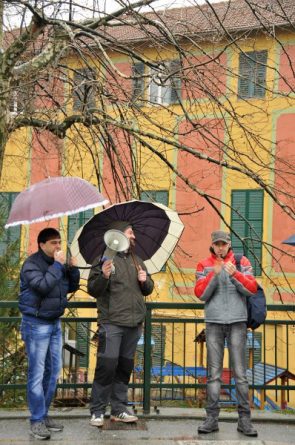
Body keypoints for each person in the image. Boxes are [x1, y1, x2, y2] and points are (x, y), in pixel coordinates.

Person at [87, 221, 154, 427]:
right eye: (130, 232)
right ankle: (98, 410)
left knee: (125, 366)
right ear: (119, 236)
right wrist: (104, 276)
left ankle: (119, 409)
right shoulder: (103, 259)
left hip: (134, 324)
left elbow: (148, 290)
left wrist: (145, 281)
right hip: (112, 322)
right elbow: (93, 289)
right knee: (107, 365)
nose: (134, 236)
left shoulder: (137, 260)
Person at [194, 230, 258, 437]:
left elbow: (252, 289)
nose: (220, 247)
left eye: (224, 244)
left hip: (238, 322)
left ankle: (244, 420)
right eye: (217, 244)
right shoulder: (204, 265)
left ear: (229, 245)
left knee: (240, 374)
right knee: (213, 375)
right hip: (213, 323)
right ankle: (211, 419)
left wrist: (234, 274)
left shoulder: (242, 262)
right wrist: (215, 272)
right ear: (212, 246)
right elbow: (201, 294)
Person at [19, 228, 80, 440]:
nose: (58, 246)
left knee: (53, 372)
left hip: (54, 322)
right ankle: (36, 421)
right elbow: (43, 287)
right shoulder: (31, 265)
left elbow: (69, 287)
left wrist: (72, 269)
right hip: (35, 324)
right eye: (53, 243)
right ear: (42, 244)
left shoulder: (58, 264)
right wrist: (57, 265)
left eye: (59, 242)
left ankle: (43, 415)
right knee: (37, 373)